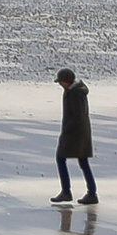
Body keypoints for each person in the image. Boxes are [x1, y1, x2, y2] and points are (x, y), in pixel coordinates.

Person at [51, 68, 97, 204]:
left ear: (66, 82)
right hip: (80, 133)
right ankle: (91, 193)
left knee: (61, 158)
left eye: (61, 82)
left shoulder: (74, 93)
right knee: (83, 162)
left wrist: (67, 130)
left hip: (75, 134)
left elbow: (78, 116)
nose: (60, 85)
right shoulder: (76, 91)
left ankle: (67, 192)